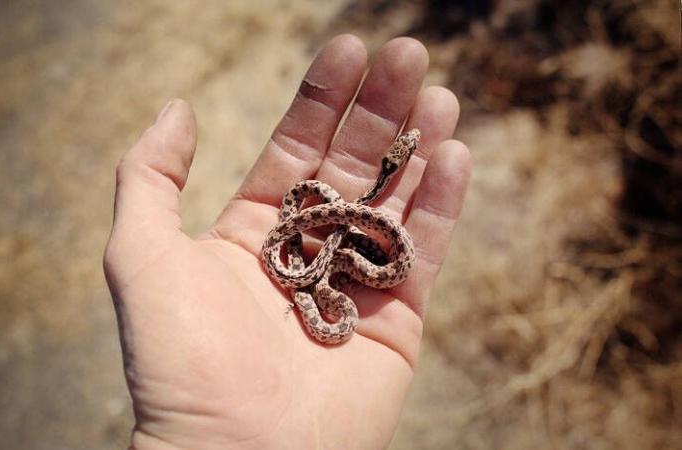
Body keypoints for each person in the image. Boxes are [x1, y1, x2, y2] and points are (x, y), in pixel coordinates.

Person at [103, 34, 471, 450]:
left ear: (393, 162)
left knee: (341, 249)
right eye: (404, 154)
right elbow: (327, 243)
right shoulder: (320, 234)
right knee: (339, 251)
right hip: (313, 265)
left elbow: (336, 243)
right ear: (397, 165)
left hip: (320, 263)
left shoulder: (341, 237)